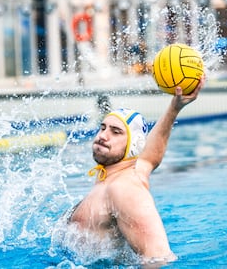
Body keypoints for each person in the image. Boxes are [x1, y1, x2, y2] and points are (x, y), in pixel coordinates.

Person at [67, 77, 205, 263]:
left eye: (115, 132)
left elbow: (158, 257)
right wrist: (174, 107)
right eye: (103, 128)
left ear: (133, 146)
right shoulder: (121, 173)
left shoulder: (124, 188)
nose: (102, 136)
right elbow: (150, 157)